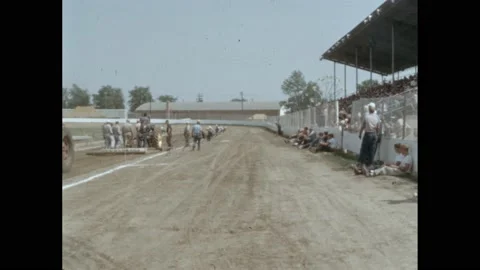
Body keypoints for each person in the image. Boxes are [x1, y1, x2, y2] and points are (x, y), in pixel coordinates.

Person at [357, 102, 381, 175]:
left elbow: (363, 126)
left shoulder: (366, 116)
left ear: (369, 109)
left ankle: (362, 164)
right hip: (374, 134)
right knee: (372, 150)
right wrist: (377, 135)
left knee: (364, 149)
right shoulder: (377, 117)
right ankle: (370, 164)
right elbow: (378, 127)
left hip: (368, 134)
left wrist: (360, 133)